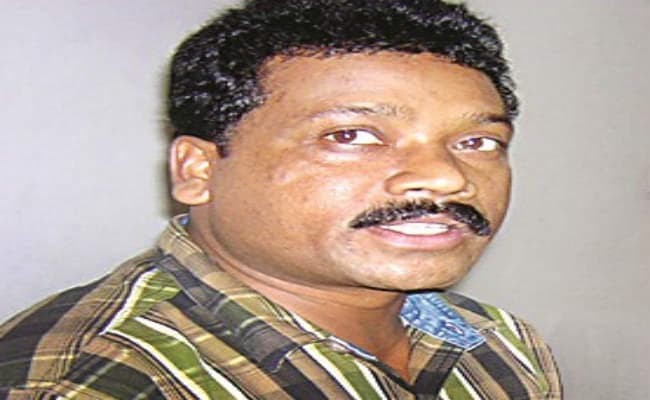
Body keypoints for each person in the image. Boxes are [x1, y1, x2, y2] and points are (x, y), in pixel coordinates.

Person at [0, 0, 562, 398]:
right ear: (198, 170)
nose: (445, 178)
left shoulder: (502, 344)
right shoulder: (97, 381)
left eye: (478, 142)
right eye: (351, 135)